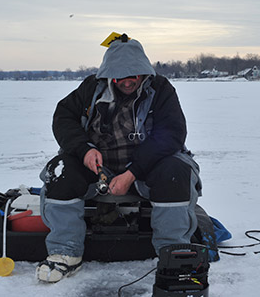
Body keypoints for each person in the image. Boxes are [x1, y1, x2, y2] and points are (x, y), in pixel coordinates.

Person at [36, 34, 201, 283]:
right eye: (121, 76)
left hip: (149, 168)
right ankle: (65, 252)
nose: (128, 82)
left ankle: (172, 252)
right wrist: (84, 150)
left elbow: (171, 135)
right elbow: (64, 117)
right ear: (109, 75)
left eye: (134, 75)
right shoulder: (91, 88)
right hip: (100, 168)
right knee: (59, 170)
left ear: (144, 72)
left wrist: (132, 172)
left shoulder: (161, 89)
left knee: (176, 171)